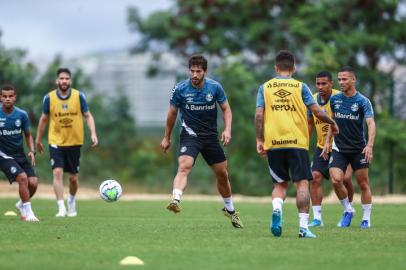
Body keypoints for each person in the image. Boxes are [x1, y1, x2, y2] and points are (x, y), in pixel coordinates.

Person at [255, 50, 339, 238]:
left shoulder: (265, 87)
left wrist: (260, 139)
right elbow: (316, 111)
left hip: (274, 143)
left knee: (279, 185)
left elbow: (259, 115)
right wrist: (332, 122)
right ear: (294, 68)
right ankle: (303, 227)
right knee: (302, 184)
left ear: (276, 68)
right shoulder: (301, 87)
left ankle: (277, 209)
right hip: (297, 143)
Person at [160, 54, 243, 228]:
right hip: (190, 135)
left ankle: (230, 209)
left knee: (222, 174)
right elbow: (172, 114)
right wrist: (166, 137)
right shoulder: (180, 89)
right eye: (192, 71)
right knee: (184, 166)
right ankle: (175, 199)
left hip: (211, 137)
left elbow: (226, 109)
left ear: (205, 71)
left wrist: (227, 130)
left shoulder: (215, 88)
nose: (195, 75)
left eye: (198, 71)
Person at [35, 68, 98, 217]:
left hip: (75, 142)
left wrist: (93, 133)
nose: (64, 81)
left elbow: (88, 116)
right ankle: (61, 207)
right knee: (57, 172)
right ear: (57, 81)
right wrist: (38, 139)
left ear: (70, 81)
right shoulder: (49, 98)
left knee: (73, 178)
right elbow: (44, 119)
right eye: (61, 78)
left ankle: (71, 200)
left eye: (66, 78)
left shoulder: (79, 96)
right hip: (55, 141)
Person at [322, 66, 376, 229]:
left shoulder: (363, 101)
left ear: (353, 80)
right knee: (336, 179)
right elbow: (333, 122)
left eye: (344, 79)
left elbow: (371, 123)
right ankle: (348, 210)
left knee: (363, 184)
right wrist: (327, 142)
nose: (341, 82)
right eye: (339, 79)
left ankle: (366, 219)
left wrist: (369, 145)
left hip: (358, 148)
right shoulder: (335, 99)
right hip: (339, 148)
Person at [307, 71, 354, 227]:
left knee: (344, 179)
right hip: (321, 146)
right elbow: (309, 123)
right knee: (314, 177)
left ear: (331, 84)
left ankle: (348, 209)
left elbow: (343, 123)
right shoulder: (312, 100)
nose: (320, 87)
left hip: (341, 146)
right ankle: (317, 218)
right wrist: (304, 144)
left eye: (324, 83)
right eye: (318, 83)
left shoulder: (339, 98)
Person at [0, 84, 39, 221]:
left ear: (15, 97)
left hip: (19, 154)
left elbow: (28, 135)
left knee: (33, 183)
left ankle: (21, 204)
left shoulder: (22, 115)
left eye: (10, 96)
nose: (7, 99)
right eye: (4, 96)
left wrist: (32, 151)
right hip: (3, 155)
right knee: (22, 178)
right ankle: (29, 213)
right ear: (0, 98)